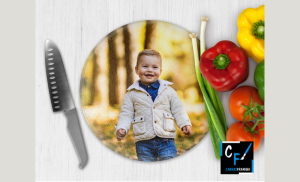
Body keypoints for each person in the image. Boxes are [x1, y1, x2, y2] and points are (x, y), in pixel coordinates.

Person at [115, 49, 192, 162]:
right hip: (143, 142)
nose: (149, 70)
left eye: (154, 67)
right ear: (136, 70)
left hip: (166, 140)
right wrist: (121, 128)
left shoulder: (168, 91)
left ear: (160, 71)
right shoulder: (131, 94)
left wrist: (185, 123)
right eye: (145, 66)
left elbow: (178, 109)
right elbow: (126, 114)